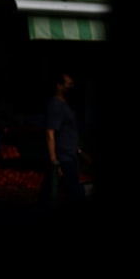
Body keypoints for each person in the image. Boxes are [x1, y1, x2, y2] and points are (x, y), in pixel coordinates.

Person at [41, 71, 88, 207]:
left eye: (72, 84)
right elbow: (50, 133)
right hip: (63, 158)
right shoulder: (56, 105)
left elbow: (68, 133)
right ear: (59, 86)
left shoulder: (65, 105)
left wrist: (79, 152)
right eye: (68, 84)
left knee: (50, 193)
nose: (71, 87)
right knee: (75, 195)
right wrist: (54, 161)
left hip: (69, 156)